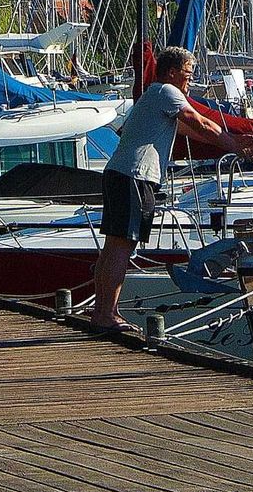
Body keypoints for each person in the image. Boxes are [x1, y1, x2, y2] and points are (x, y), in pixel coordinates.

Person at [89, 45, 239, 330]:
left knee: (112, 247)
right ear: (172, 72)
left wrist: (223, 140)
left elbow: (192, 130)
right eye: (188, 73)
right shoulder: (167, 92)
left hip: (120, 173)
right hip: (135, 175)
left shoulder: (153, 97)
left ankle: (101, 312)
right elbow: (198, 122)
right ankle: (107, 314)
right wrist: (236, 145)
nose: (190, 80)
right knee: (122, 246)